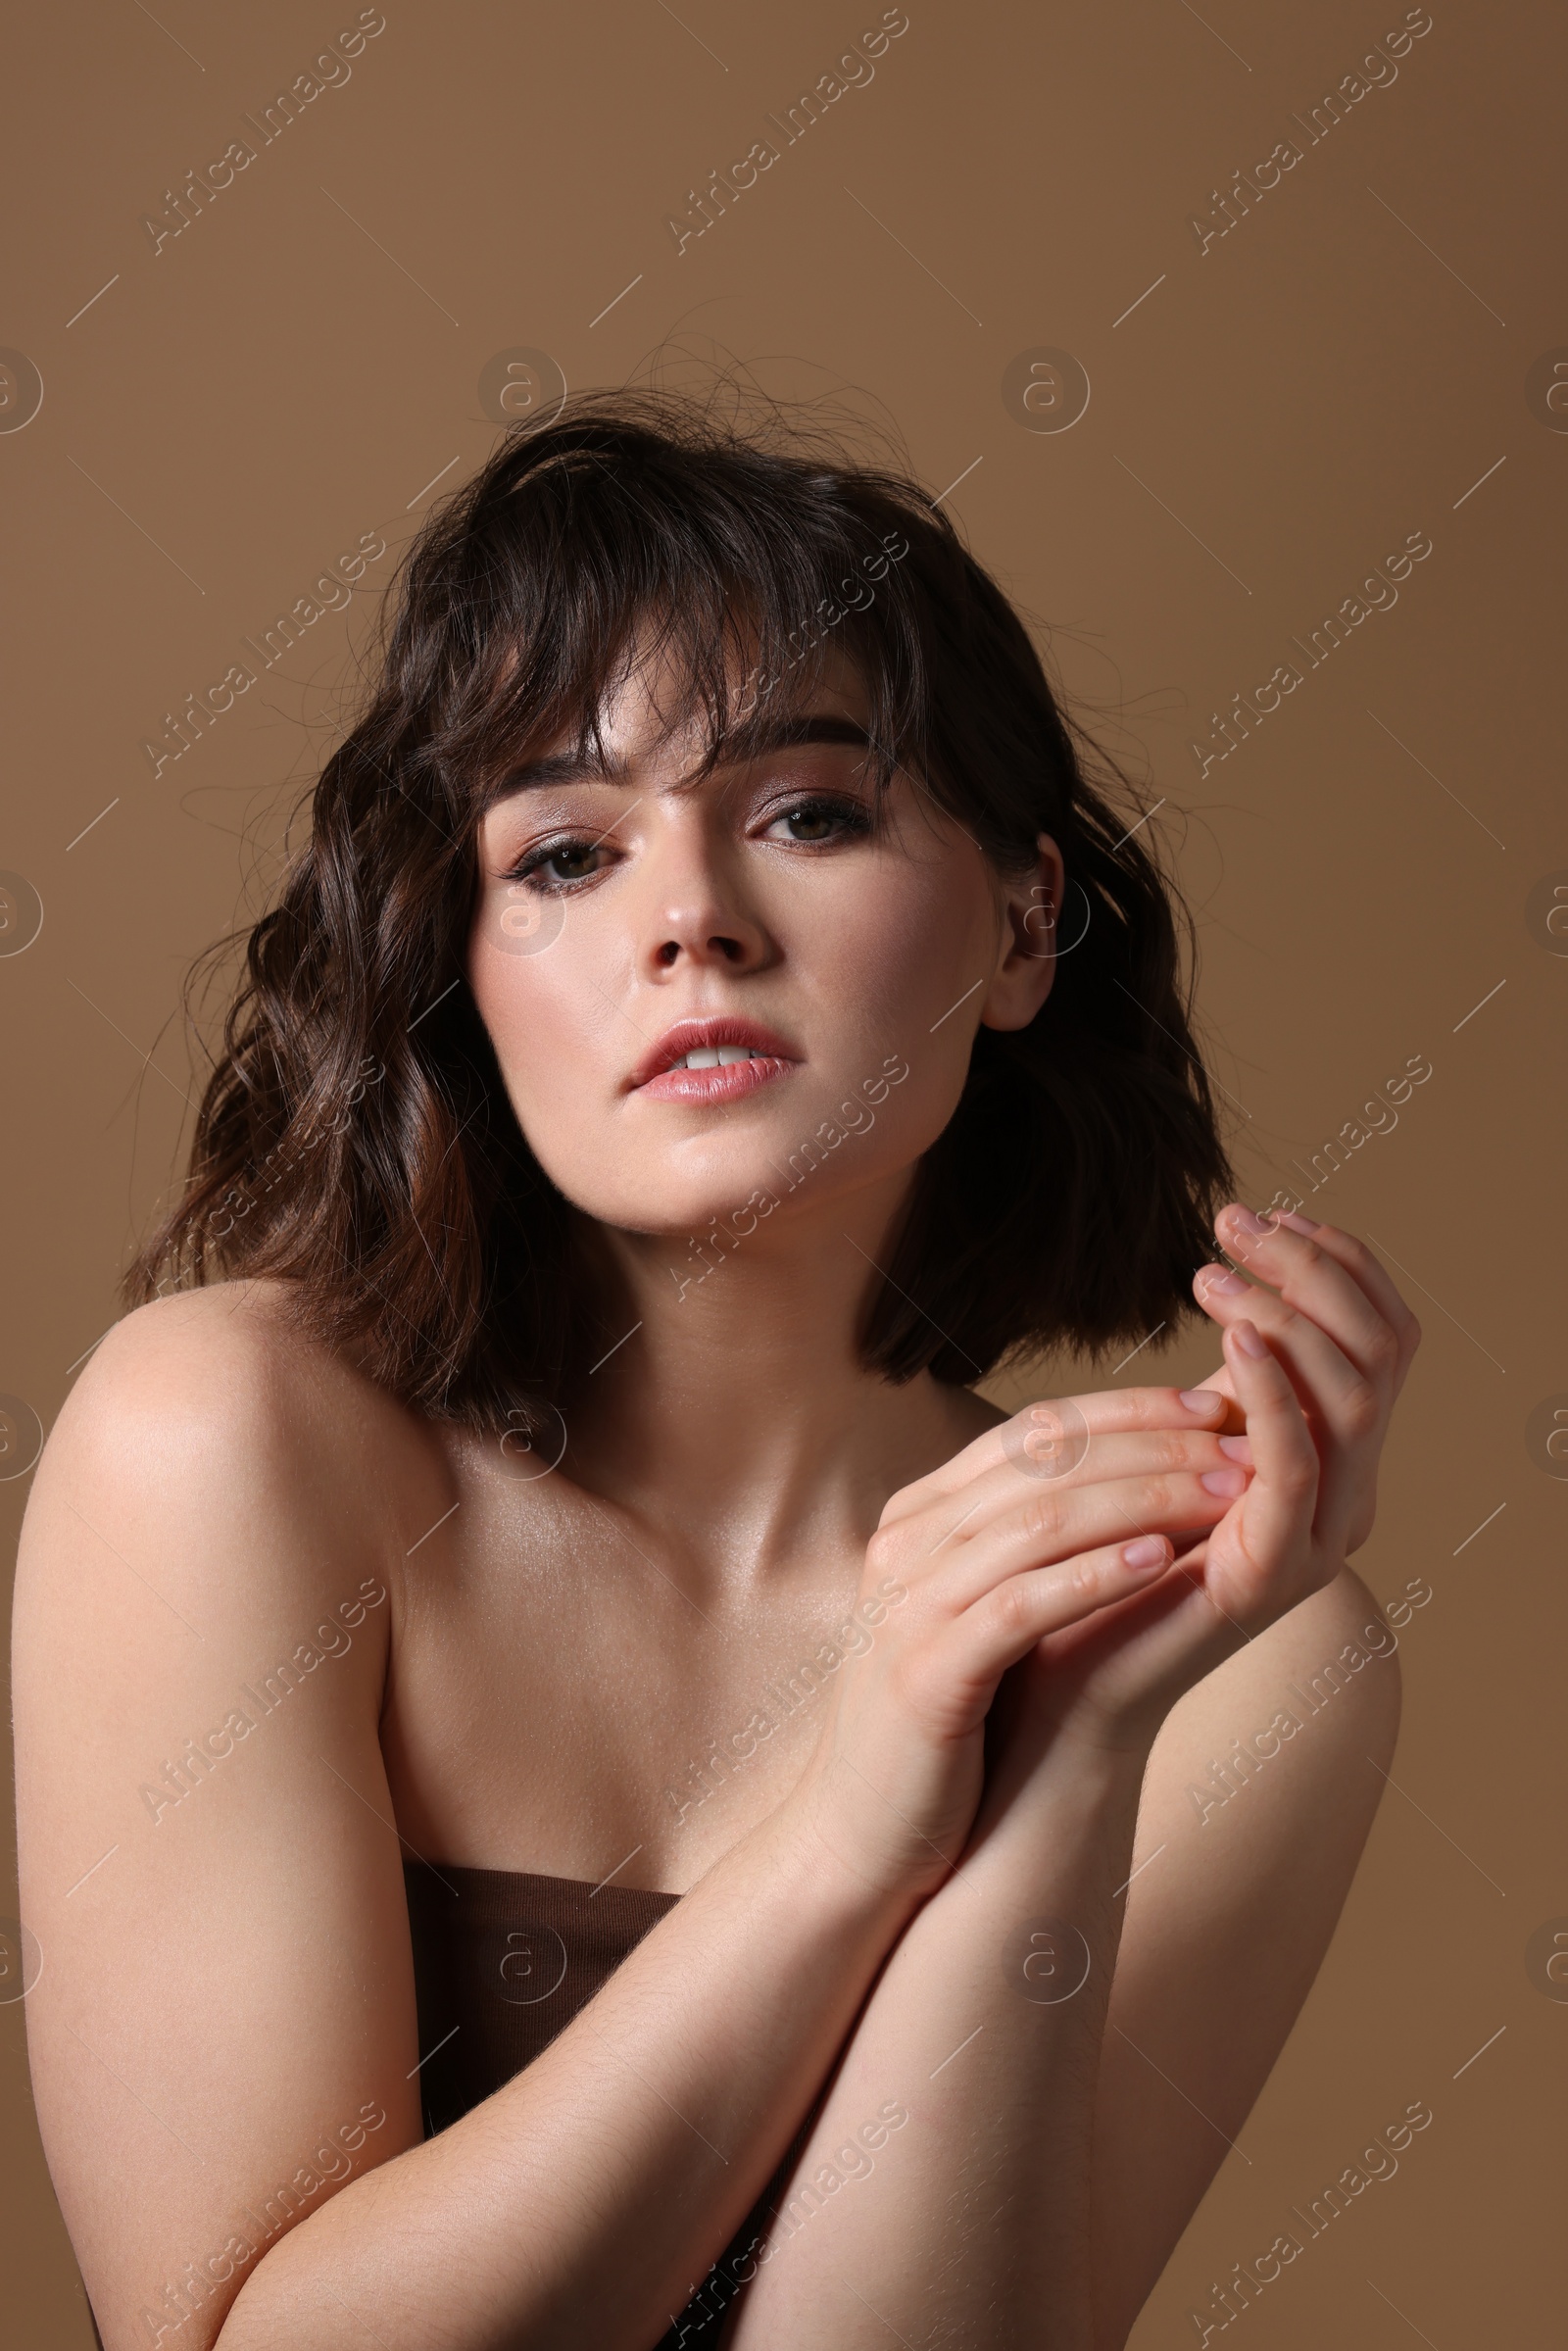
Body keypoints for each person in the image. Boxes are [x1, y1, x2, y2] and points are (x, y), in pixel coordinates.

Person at [13, 388, 1418, 2351]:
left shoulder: (1243, 1659)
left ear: (1022, 923)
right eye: (566, 855)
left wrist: (1064, 1751)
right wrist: (852, 1824)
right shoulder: (227, 1444)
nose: (689, 920)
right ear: (461, 967)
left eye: (806, 813)